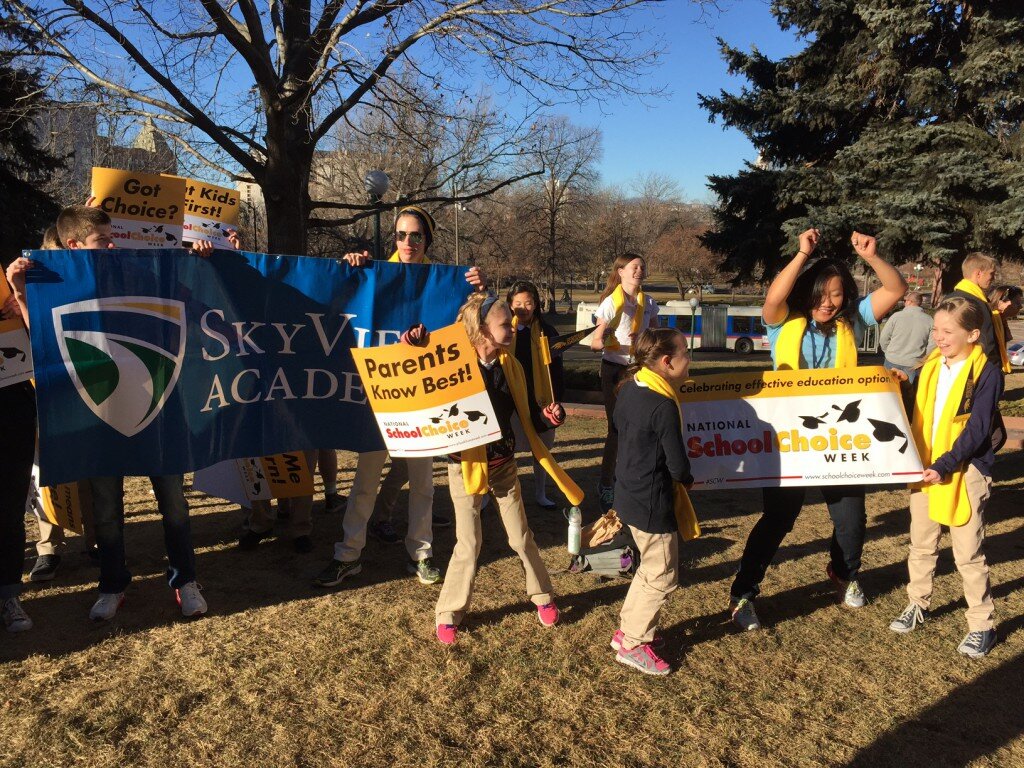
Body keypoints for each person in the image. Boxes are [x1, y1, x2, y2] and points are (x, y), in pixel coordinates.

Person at [44, 205, 220, 620]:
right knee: (105, 510)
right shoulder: (53, 282)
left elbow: (187, 301)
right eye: (102, 240)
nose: (113, 245)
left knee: (174, 503)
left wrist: (197, 262)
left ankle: (185, 580)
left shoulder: (138, 272)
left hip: (158, 402)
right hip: (100, 408)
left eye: (112, 237)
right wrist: (18, 287)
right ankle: (111, 584)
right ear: (74, 246)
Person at [729, 229, 907, 631]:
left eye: (838, 295)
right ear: (808, 292)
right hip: (789, 440)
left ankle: (844, 574)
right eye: (821, 295)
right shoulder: (782, 323)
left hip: (840, 438)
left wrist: (873, 257)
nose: (829, 304)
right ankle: (743, 593)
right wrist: (801, 254)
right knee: (778, 520)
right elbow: (774, 299)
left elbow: (895, 288)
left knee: (852, 519)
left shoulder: (853, 322)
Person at [313, 206, 483, 588]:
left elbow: (471, 327)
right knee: (365, 480)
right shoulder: (376, 272)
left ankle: (421, 554)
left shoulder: (444, 283)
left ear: (428, 240)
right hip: (384, 395)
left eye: (417, 236)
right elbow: (344, 299)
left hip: (424, 397)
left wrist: (477, 290)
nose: (408, 242)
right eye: (401, 235)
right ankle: (348, 554)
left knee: (423, 482)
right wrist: (349, 266)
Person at [432, 292, 583, 645]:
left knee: (520, 536)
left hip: (503, 464)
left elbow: (528, 409)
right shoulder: (455, 367)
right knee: (468, 542)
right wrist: (414, 339)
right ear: (482, 330)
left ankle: (543, 596)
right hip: (465, 467)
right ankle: (448, 613)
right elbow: (423, 374)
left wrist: (546, 415)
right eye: (505, 325)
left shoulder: (510, 365)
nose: (513, 329)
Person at [889, 297, 1002, 658]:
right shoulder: (932, 367)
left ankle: (981, 624)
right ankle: (917, 603)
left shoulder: (986, 371)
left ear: (972, 333)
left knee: (968, 553)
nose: (938, 337)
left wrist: (946, 464)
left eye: (947, 331)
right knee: (921, 544)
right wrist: (898, 385)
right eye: (935, 329)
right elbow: (919, 412)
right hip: (927, 467)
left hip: (964, 470)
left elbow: (978, 428)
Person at [609, 327, 696, 675]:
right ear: (666, 362)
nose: (689, 359)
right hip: (652, 503)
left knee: (649, 568)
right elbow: (677, 464)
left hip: (628, 493)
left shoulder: (630, 388)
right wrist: (688, 481)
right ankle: (633, 643)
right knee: (661, 574)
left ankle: (627, 631)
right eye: (685, 353)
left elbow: (618, 430)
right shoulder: (662, 405)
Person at [590, 254, 659, 512]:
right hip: (615, 370)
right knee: (616, 430)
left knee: (642, 428)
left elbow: (656, 337)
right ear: (620, 271)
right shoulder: (611, 303)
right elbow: (596, 344)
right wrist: (608, 338)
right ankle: (606, 483)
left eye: (642, 266)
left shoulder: (649, 302)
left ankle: (635, 479)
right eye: (634, 267)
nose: (639, 271)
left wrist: (643, 339)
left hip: (639, 370)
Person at [507, 280, 565, 510]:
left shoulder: (547, 332)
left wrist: (557, 398)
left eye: (528, 302)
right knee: (506, 449)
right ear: (510, 304)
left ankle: (540, 493)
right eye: (518, 302)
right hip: (511, 397)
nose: (523, 308)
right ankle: (505, 495)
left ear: (536, 304)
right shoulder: (504, 329)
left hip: (540, 398)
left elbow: (557, 370)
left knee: (541, 448)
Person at [1, 261, 36, 632]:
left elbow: (43, 340)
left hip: (11, 405)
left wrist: (20, 299)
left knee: (9, 507)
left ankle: (9, 594)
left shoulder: (9, 278)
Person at [880, 291, 933, 384]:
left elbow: (884, 338)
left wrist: (888, 351)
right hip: (914, 363)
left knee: (890, 392)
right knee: (910, 394)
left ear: (909, 302)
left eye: (905, 301)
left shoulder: (896, 317)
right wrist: (923, 360)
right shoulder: (929, 320)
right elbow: (932, 345)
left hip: (892, 359)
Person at [987, 284, 1023, 374]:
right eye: (1017, 303)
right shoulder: (989, 321)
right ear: (1000, 302)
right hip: (989, 370)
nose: (1020, 307)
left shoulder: (1001, 321)